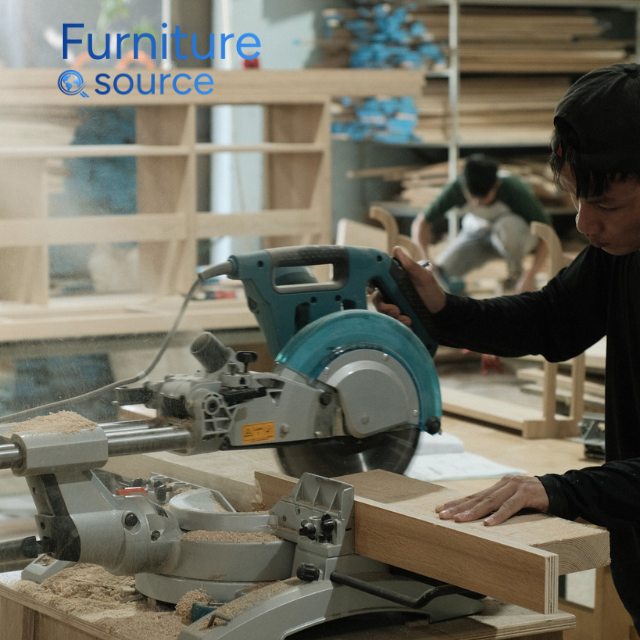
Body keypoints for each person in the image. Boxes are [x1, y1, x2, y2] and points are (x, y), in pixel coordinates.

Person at [376, 62, 640, 630]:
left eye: (607, 205)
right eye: (576, 198)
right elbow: (552, 319)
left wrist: (559, 490)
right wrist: (444, 311)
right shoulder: (623, 250)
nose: (584, 223)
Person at [411, 154, 552, 294]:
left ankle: (516, 276)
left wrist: (530, 275)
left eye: (483, 197)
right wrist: (426, 262)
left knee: (507, 226)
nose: (477, 202)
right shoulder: (457, 188)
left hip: (515, 239)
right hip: (479, 234)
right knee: (440, 273)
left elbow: (547, 232)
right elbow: (421, 223)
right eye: (472, 196)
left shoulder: (514, 189)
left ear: (496, 184)